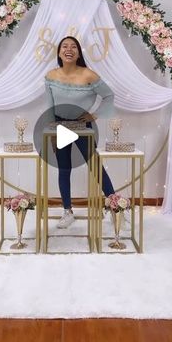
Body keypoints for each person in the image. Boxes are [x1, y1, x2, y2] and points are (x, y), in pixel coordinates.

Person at [45, 36, 115, 229]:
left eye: (73, 46)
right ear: (59, 52)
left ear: (78, 52)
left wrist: (95, 115)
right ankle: (67, 212)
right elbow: (49, 105)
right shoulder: (51, 75)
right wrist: (51, 130)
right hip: (60, 126)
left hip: (83, 127)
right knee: (64, 168)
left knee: (96, 167)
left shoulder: (89, 75)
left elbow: (109, 96)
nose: (69, 49)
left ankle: (115, 208)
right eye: (65, 46)